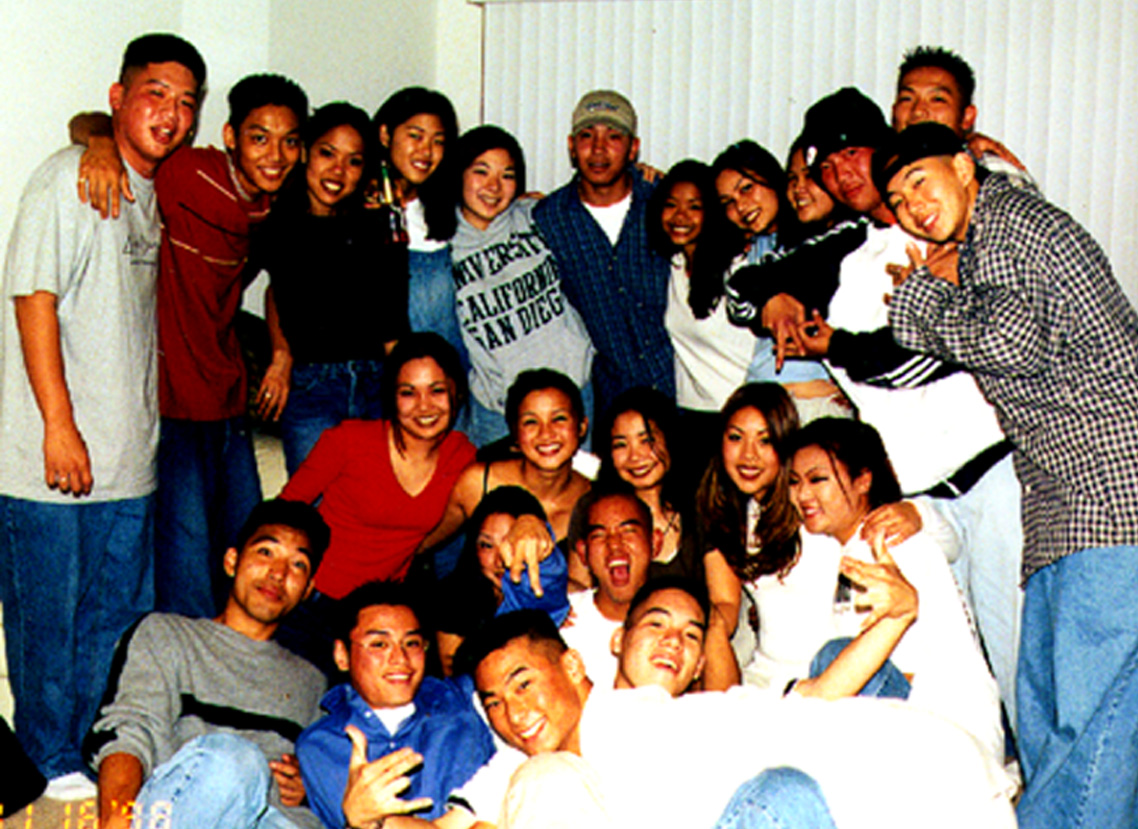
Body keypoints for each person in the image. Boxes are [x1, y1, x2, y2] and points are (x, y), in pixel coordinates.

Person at [879, 121, 1138, 829]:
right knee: (1053, 714)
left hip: (1110, 494)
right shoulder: (983, 240)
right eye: (897, 199)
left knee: (1087, 717)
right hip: (1068, 499)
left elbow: (1010, 340)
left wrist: (917, 299)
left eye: (921, 181)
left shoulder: (1005, 221)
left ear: (966, 168)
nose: (913, 205)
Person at [0, 33, 203, 796]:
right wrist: (58, 424)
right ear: (118, 97)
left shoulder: (150, 186)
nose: (170, 113)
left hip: (129, 462)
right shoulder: (68, 180)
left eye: (186, 101)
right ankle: (45, 757)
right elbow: (34, 300)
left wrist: (96, 137)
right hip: (50, 461)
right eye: (155, 93)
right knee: (47, 623)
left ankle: (85, 749)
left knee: (113, 623)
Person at [344, 610, 1017, 829]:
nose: (512, 712)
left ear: (575, 668)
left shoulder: (635, 726)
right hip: (923, 774)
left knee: (774, 795)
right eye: (492, 701)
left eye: (523, 684)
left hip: (915, 786)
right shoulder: (526, 763)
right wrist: (368, 817)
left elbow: (800, 720)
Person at [72, 72, 310, 618]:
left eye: (289, 141)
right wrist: (101, 144)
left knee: (248, 554)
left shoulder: (275, 209)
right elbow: (89, 123)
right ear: (229, 136)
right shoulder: (186, 172)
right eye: (259, 138)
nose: (275, 155)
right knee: (187, 570)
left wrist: (281, 354)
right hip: (172, 403)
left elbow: (278, 283)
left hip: (229, 401)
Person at [85, 499, 330, 829]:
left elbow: (329, 772)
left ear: (307, 590)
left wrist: (311, 786)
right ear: (231, 561)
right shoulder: (167, 635)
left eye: (298, 565)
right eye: (265, 552)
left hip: (274, 819)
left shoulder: (313, 682)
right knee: (236, 761)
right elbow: (129, 731)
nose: (278, 573)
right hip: (187, 806)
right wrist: (116, 816)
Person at [771, 418, 1003, 760]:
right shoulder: (854, 549)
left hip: (946, 731)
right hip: (923, 719)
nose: (803, 495)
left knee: (835, 660)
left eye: (817, 479)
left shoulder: (891, 545)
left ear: (863, 480)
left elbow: (907, 672)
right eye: (794, 482)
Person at [696, 384, 923, 662]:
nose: (748, 455)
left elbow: (938, 546)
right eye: (735, 438)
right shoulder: (729, 513)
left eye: (765, 440)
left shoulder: (815, 508)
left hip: (830, 670)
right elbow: (730, 602)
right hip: (764, 670)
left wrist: (917, 512)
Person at [253, 102, 409, 474]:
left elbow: (391, 318)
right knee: (310, 503)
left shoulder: (376, 224)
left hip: (374, 383)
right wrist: (280, 354)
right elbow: (276, 290)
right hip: (311, 388)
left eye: (354, 162)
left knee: (372, 501)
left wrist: (403, 392)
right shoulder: (278, 224)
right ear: (306, 152)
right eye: (328, 153)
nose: (338, 171)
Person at [281, 333, 476, 599]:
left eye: (437, 390)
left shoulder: (462, 457)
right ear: (392, 398)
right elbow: (283, 510)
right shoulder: (349, 440)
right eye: (408, 393)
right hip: (316, 595)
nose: (424, 405)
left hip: (383, 606)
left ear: (457, 392)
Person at [295, 582, 495, 828]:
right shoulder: (322, 744)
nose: (400, 659)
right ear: (342, 656)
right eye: (379, 644)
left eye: (412, 643)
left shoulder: (460, 701)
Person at [448, 125, 594, 448]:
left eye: (507, 175)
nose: (493, 186)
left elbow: (597, 195)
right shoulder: (441, 244)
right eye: (481, 172)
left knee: (578, 482)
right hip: (499, 409)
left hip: (572, 393)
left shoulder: (536, 215)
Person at [533, 90, 673, 419]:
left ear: (633, 148)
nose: (598, 149)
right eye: (587, 136)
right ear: (571, 146)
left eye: (613, 136)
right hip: (610, 405)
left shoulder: (665, 204)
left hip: (684, 397)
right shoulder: (547, 219)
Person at [711, 141, 839, 421]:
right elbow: (740, 306)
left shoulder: (823, 239)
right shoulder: (756, 246)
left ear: (773, 180)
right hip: (762, 398)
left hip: (813, 400)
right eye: (728, 202)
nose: (741, 206)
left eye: (747, 188)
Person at [418, 369, 591, 565]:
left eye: (559, 419)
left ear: (582, 427)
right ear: (515, 434)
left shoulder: (594, 502)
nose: (546, 433)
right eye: (531, 422)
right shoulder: (479, 482)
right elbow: (421, 542)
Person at [373, 87, 468, 375]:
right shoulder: (362, 206)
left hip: (451, 372)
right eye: (415, 136)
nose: (426, 151)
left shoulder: (447, 207)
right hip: (389, 377)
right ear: (385, 135)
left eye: (438, 141)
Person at [595, 387, 703, 581]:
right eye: (621, 445)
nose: (635, 457)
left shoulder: (702, 513)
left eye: (646, 441)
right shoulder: (596, 517)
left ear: (669, 439)